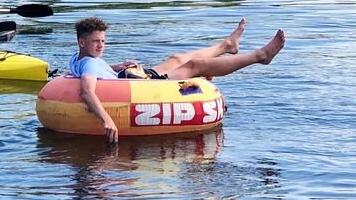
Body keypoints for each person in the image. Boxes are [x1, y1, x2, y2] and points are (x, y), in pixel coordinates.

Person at [69, 16, 286, 143]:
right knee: (194, 66)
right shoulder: (89, 64)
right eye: (95, 42)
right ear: (81, 42)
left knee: (177, 58)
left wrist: (115, 67)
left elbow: (91, 71)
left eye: (103, 41)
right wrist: (107, 119)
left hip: (133, 76)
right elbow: (87, 92)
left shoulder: (78, 58)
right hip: (145, 86)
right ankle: (260, 56)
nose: (101, 46)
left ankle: (227, 45)